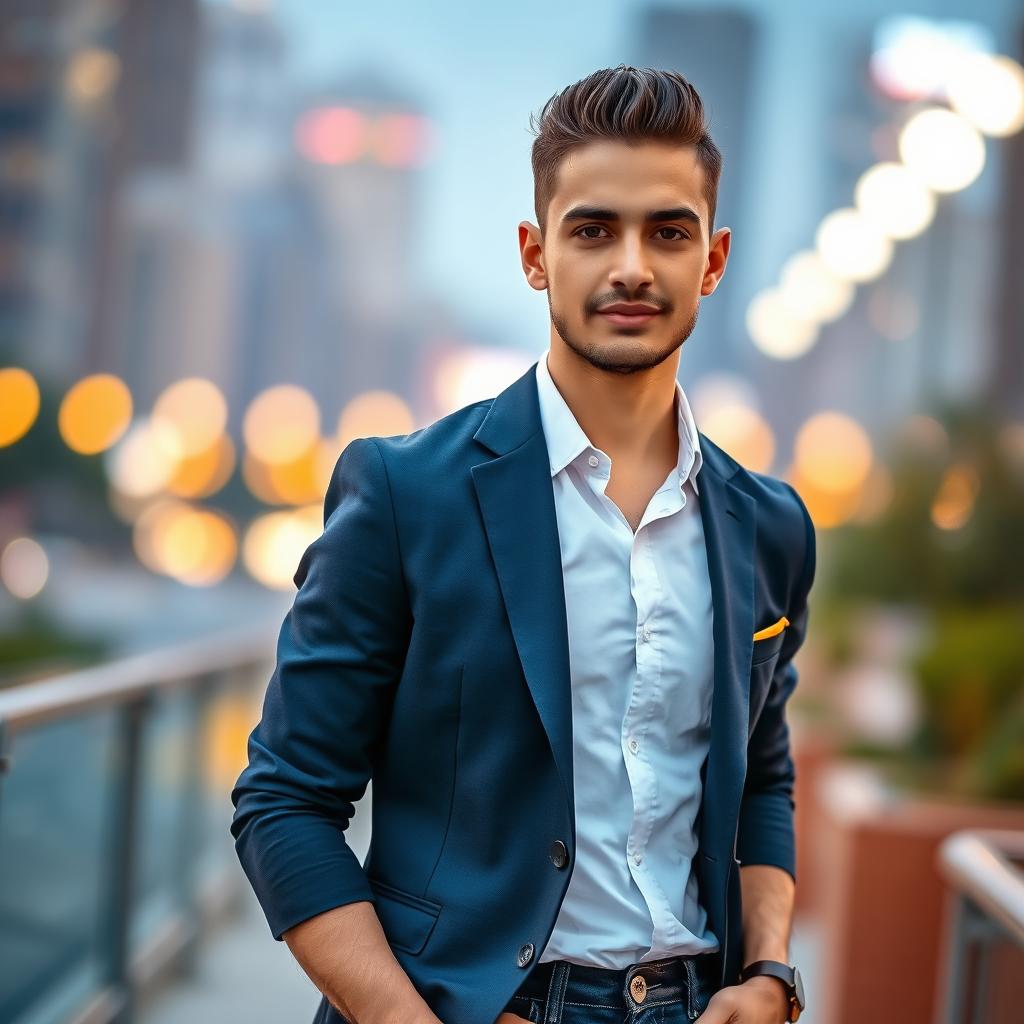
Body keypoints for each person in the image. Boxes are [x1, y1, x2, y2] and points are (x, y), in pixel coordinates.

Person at [231, 65, 815, 1024]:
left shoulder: (773, 526)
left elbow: (764, 777)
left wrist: (769, 975)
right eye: (593, 230)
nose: (632, 265)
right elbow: (285, 804)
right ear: (536, 255)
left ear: (711, 262)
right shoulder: (405, 492)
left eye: (668, 232)